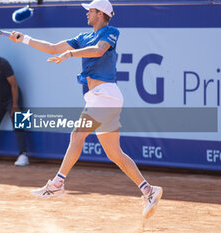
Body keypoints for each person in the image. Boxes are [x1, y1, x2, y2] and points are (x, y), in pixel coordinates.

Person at [9, 0, 162, 218]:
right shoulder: (82, 37)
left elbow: (99, 51)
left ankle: (58, 183)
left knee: (77, 135)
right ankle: (148, 190)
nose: (87, 14)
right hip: (98, 98)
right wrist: (24, 39)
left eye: (90, 11)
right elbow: (53, 48)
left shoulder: (111, 32)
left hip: (106, 95)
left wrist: (71, 55)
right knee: (114, 153)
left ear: (100, 13)